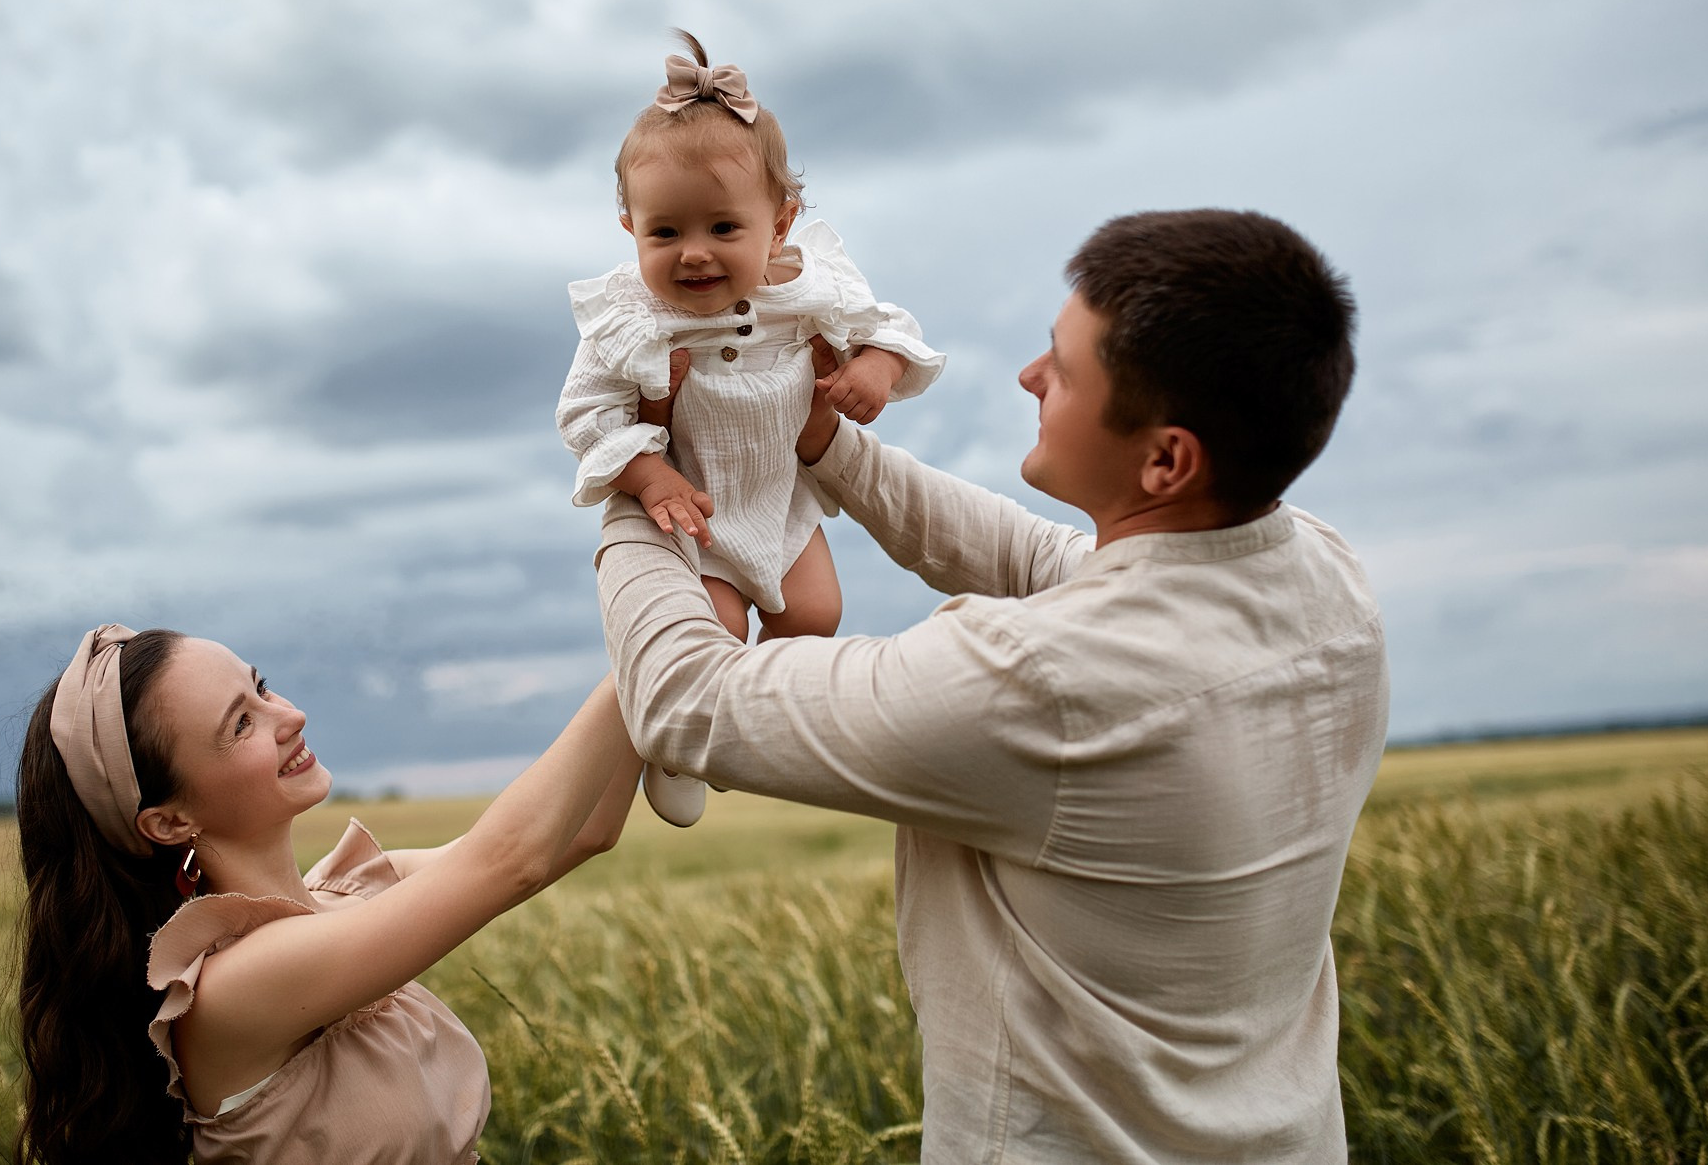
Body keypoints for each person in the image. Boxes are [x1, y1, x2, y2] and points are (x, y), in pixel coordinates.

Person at [595, 209, 1389, 1163]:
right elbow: (1035, 556)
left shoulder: (1041, 682)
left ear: (1167, 459)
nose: (1030, 376)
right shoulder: (1323, 576)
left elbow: (686, 699)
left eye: (1065, 365)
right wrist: (820, 443)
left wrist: (637, 479)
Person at [13, 625, 641, 1165]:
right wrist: (649, 648)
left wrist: (682, 605)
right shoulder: (233, 987)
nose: (290, 716)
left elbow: (586, 830)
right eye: (241, 723)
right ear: (170, 821)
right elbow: (511, 861)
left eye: (260, 687)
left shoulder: (350, 894)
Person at [557, 29, 944, 825]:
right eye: (666, 233)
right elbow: (585, 414)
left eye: (723, 229)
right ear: (631, 229)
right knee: (715, 632)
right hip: (695, 511)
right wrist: (647, 472)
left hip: (780, 499)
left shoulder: (809, 290)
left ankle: (754, 728)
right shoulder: (629, 320)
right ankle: (686, 745)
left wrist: (876, 366)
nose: (694, 254)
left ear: (781, 222)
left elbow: (891, 326)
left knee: (815, 615)